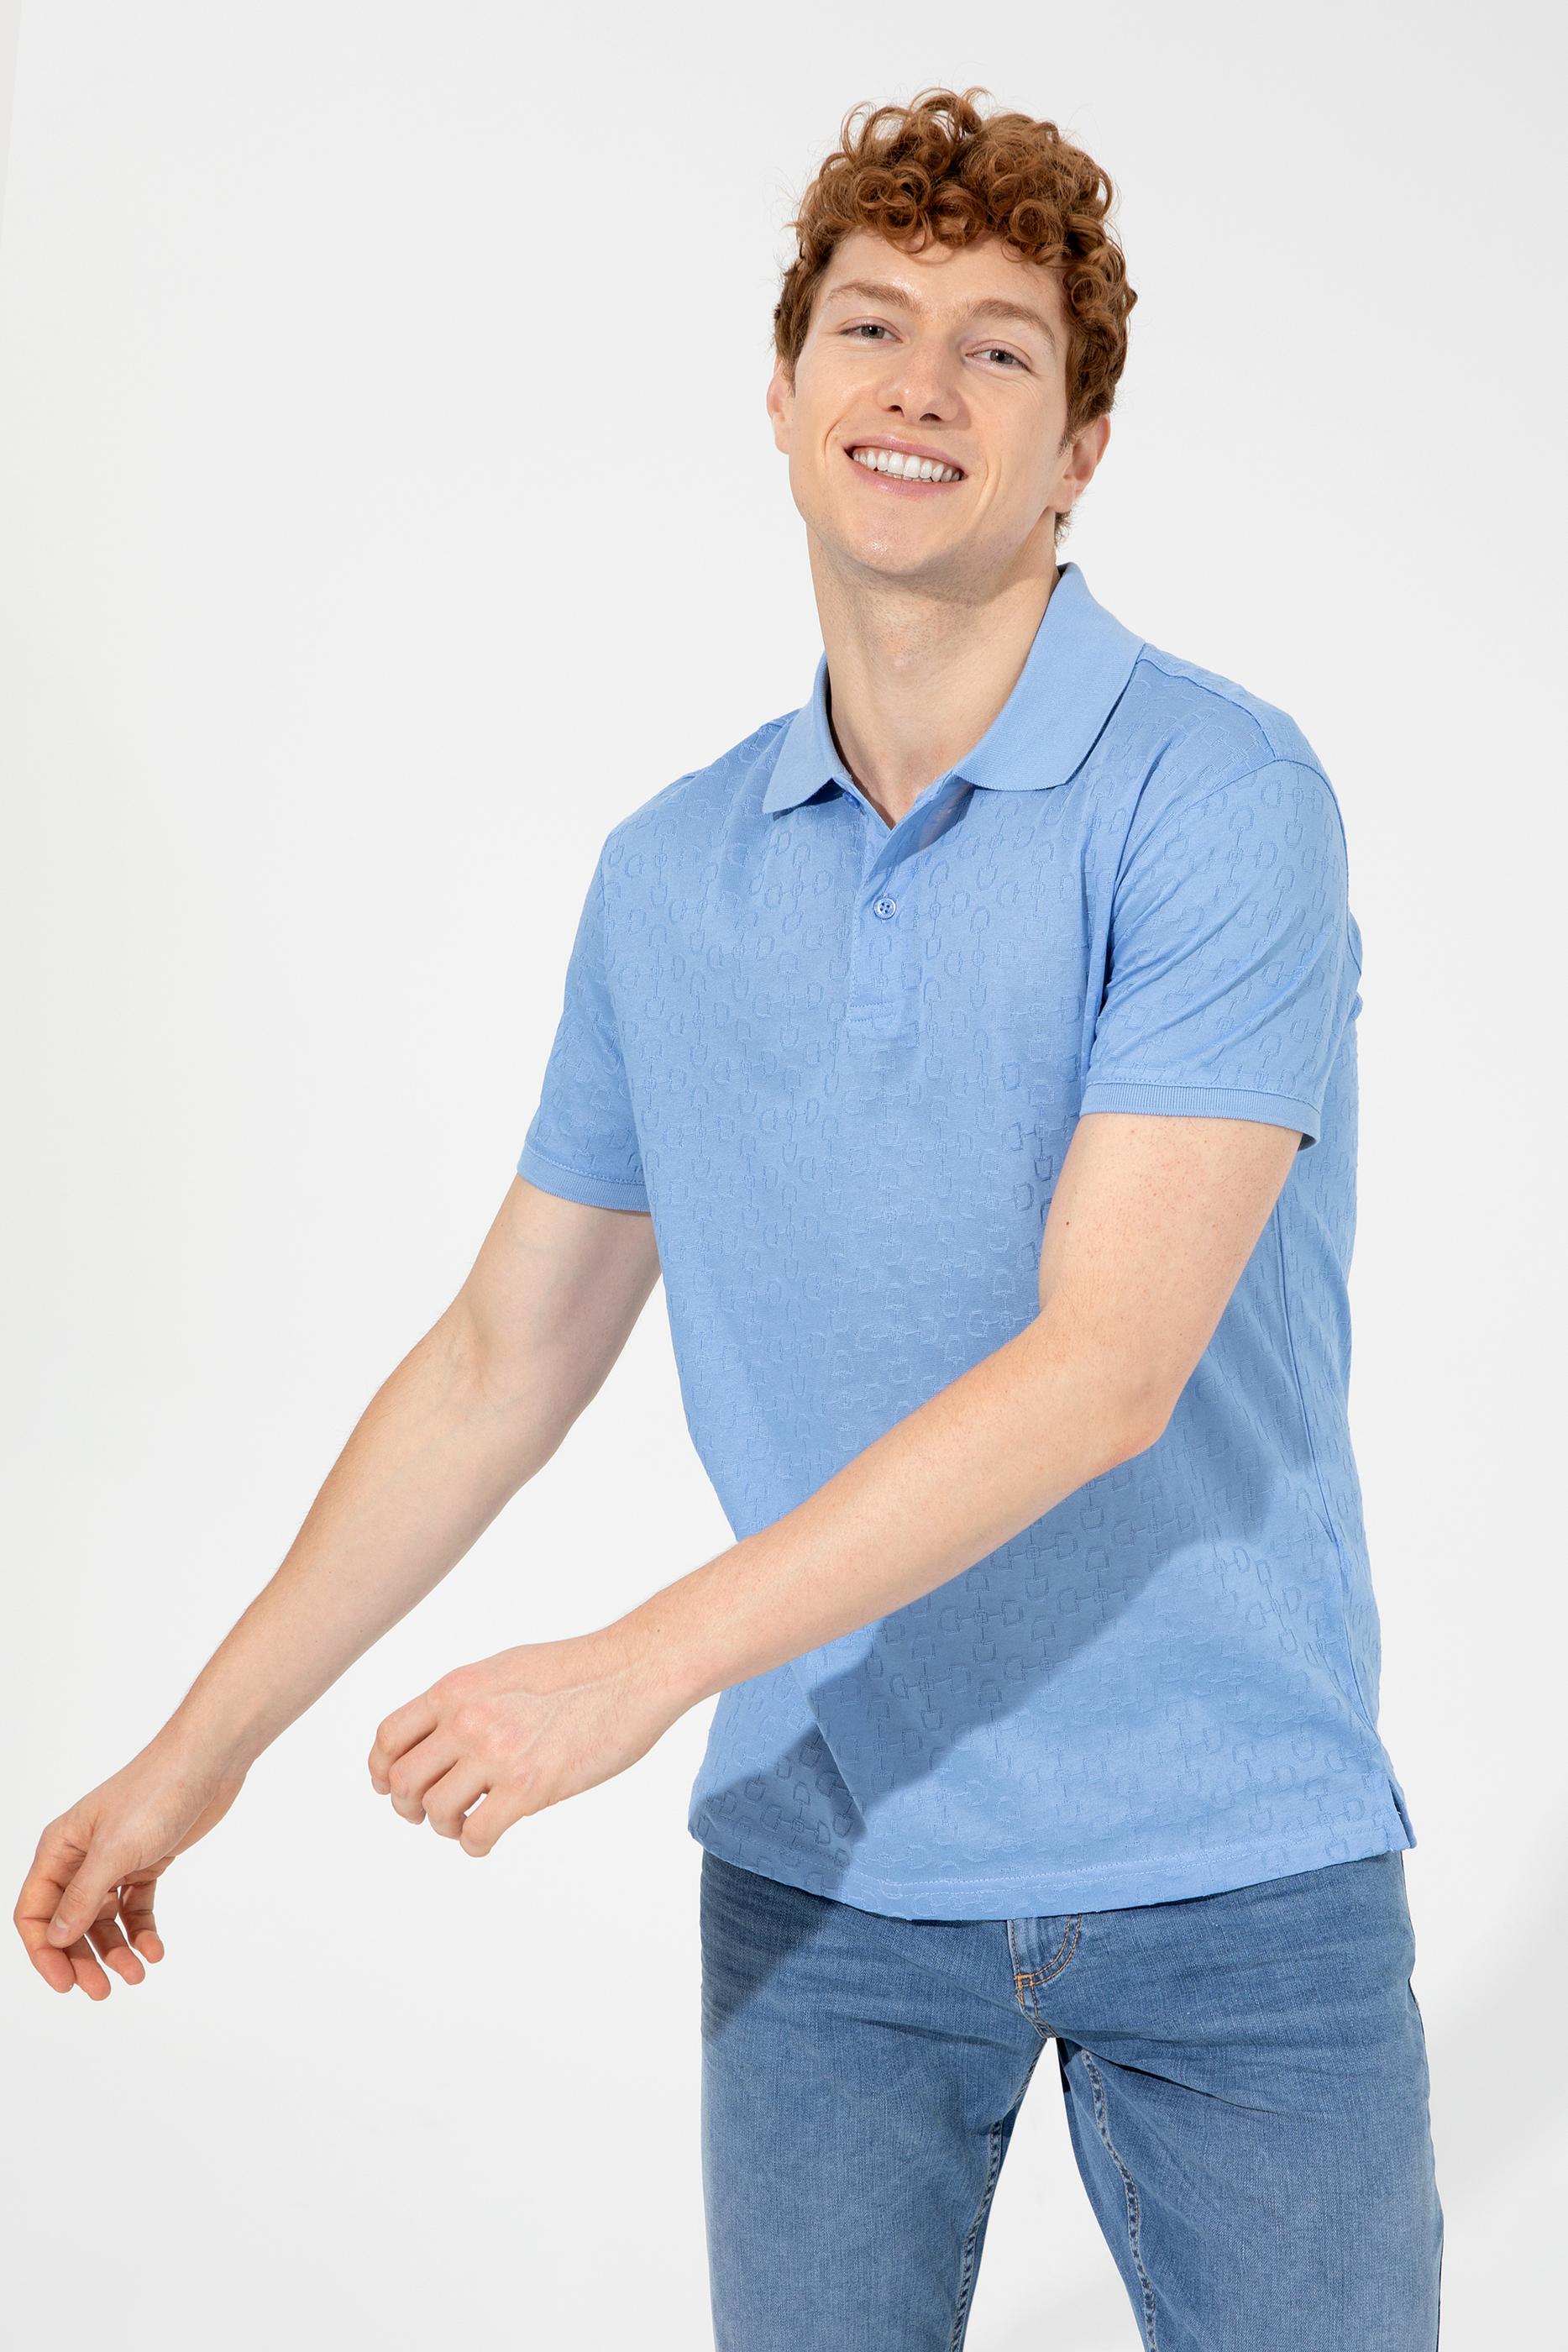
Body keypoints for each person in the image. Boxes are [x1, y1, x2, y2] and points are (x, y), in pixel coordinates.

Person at [17, 83, 1443, 2351]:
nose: (920, 384)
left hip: (1234, 1867)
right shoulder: (672, 877)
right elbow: (498, 1361)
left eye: (996, 349)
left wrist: (632, 1667)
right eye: (869, 326)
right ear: (780, 398)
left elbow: (1105, 1366)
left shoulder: (1215, 795)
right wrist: (198, 1754)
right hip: (827, 1877)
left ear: (1079, 450)